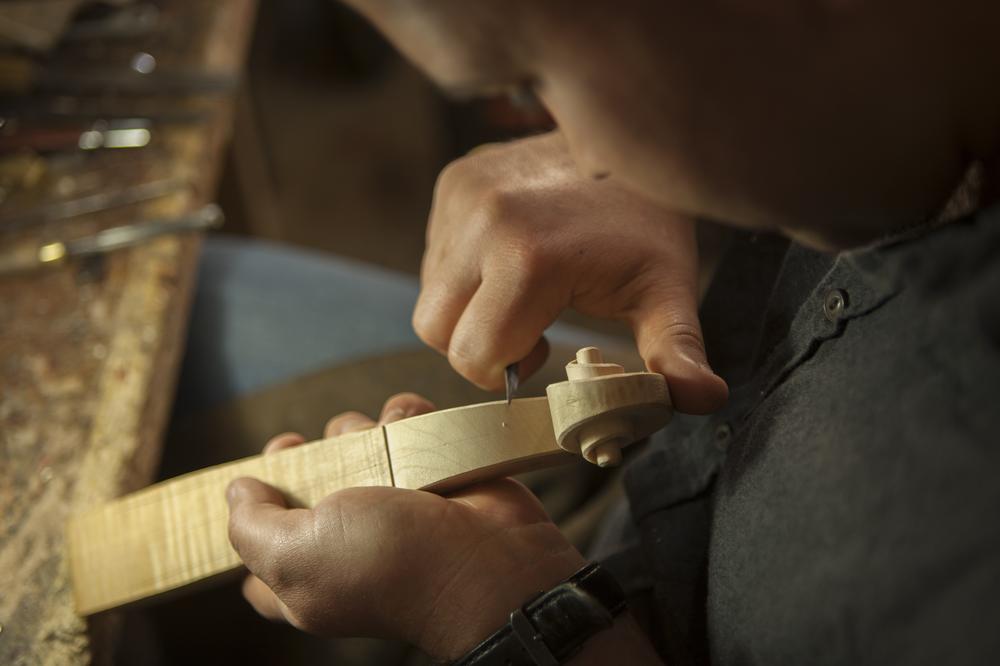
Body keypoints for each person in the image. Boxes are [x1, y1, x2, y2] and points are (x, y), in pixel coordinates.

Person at [222, 1, 1000, 663]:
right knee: (216, 286)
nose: (585, 156)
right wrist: (683, 165)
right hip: (656, 496)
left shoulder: (958, 553)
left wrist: (474, 601)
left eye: (533, 79)